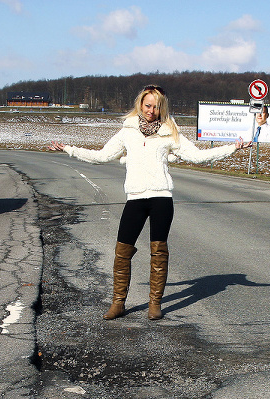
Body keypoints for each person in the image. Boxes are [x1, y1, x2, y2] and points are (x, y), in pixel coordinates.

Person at [50, 85, 251, 321]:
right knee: (122, 252)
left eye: (156, 106)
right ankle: (118, 302)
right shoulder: (127, 131)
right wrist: (69, 149)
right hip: (135, 198)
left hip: (161, 198)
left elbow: (196, 156)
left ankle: (155, 304)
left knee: (159, 252)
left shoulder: (170, 131)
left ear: (161, 107)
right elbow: (102, 156)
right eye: (148, 105)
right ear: (140, 104)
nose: (151, 111)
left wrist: (233, 148)